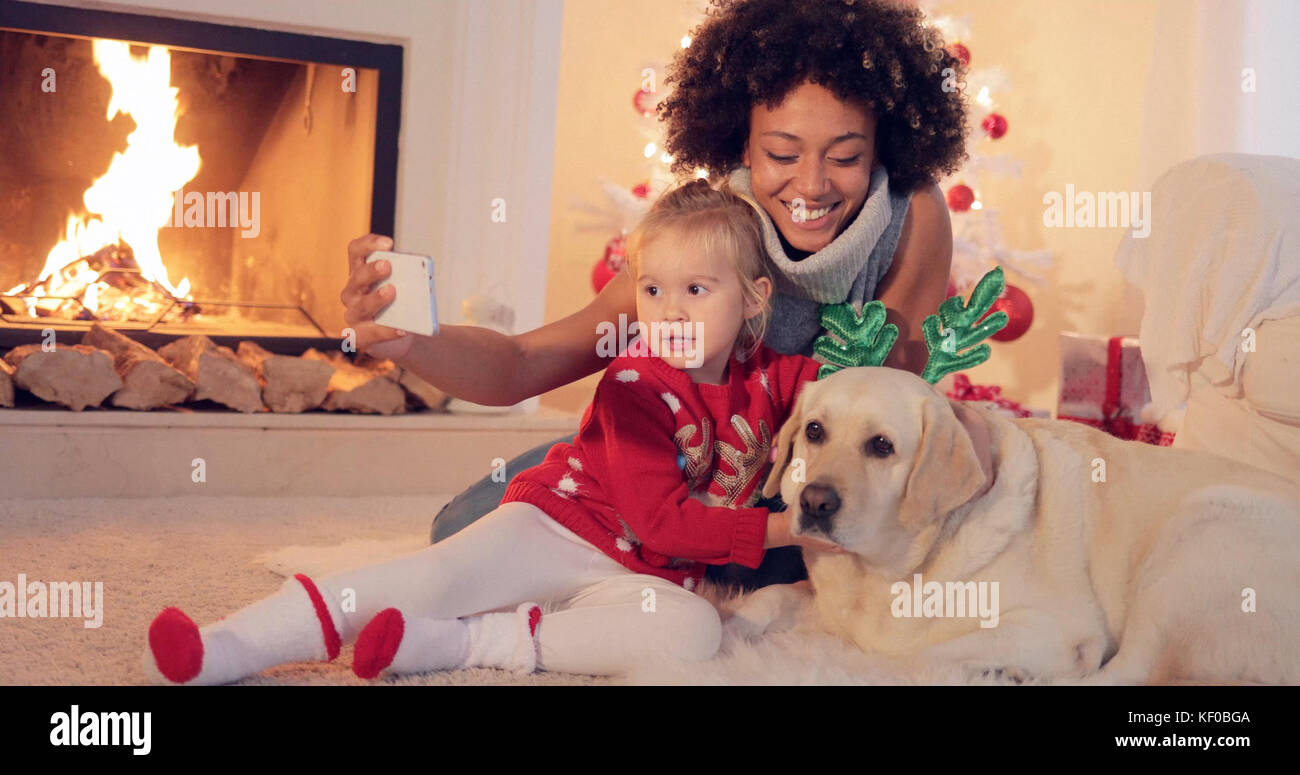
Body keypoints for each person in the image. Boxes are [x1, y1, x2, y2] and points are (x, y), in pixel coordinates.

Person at [340, 0, 967, 589]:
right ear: (742, 146)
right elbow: (523, 364)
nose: (812, 183)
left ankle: (686, 564)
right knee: (463, 528)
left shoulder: (910, 218)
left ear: (880, 149)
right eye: (782, 152)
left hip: (797, 477)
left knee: (853, 560)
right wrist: (414, 342)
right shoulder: (709, 232)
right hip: (678, 453)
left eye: (846, 156)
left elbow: (895, 408)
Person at [143, 180, 841, 683]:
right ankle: (224, 646)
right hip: (559, 528)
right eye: (654, 290)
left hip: (643, 576)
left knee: (689, 632)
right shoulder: (635, 385)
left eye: (698, 289)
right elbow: (661, 523)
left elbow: (843, 400)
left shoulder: (774, 378)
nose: (670, 311)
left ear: (754, 299)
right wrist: (780, 530)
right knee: (429, 576)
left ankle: (469, 643)